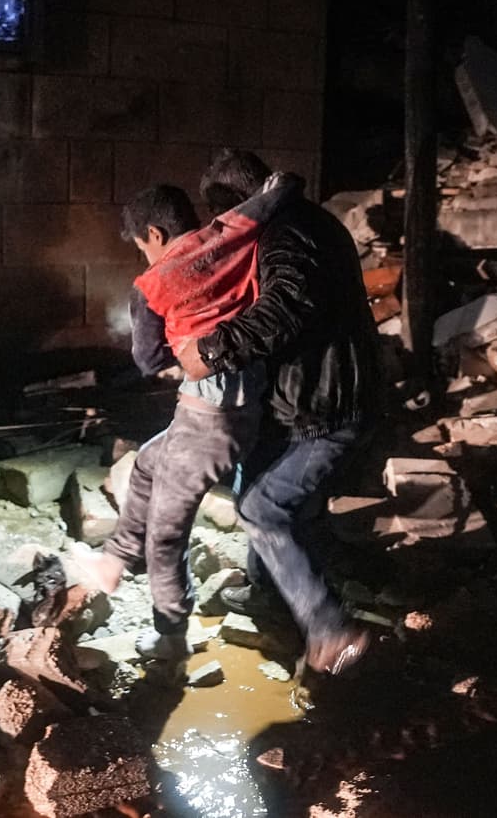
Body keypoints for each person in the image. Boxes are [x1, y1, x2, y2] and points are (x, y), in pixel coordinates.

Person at [74, 177, 302, 660]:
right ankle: (115, 558)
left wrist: (177, 358)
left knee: (166, 534)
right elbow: (267, 201)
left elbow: (148, 359)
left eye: (142, 248)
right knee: (147, 463)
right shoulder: (226, 238)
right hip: (238, 412)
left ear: (154, 235)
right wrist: (280, 186)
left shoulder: (153, 284)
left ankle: (171, 632)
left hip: (208, 423)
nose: (145, 258)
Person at [176, 149, 385, 676]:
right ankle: (267, 596)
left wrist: (212, 350)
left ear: (239, 209)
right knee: (258, 482)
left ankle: (332, 632)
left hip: (327, 405)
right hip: (306, 396)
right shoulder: (309, 222)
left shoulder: (286, 235)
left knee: (263, 511)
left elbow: (287, 304)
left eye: (223, 222)